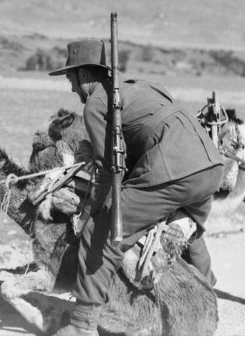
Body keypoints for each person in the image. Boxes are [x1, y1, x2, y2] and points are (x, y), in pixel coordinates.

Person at [48, 39, 223, 336]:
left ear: (83, 75)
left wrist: (91, 211)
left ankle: (81, 325)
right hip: (211, 166)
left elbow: (108, 170)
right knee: (187, 228)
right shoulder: (142, 86)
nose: (72, 88)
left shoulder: (96, 104)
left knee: (100, 234)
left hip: (175, 169)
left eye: (71, 79)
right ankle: (203, 302)